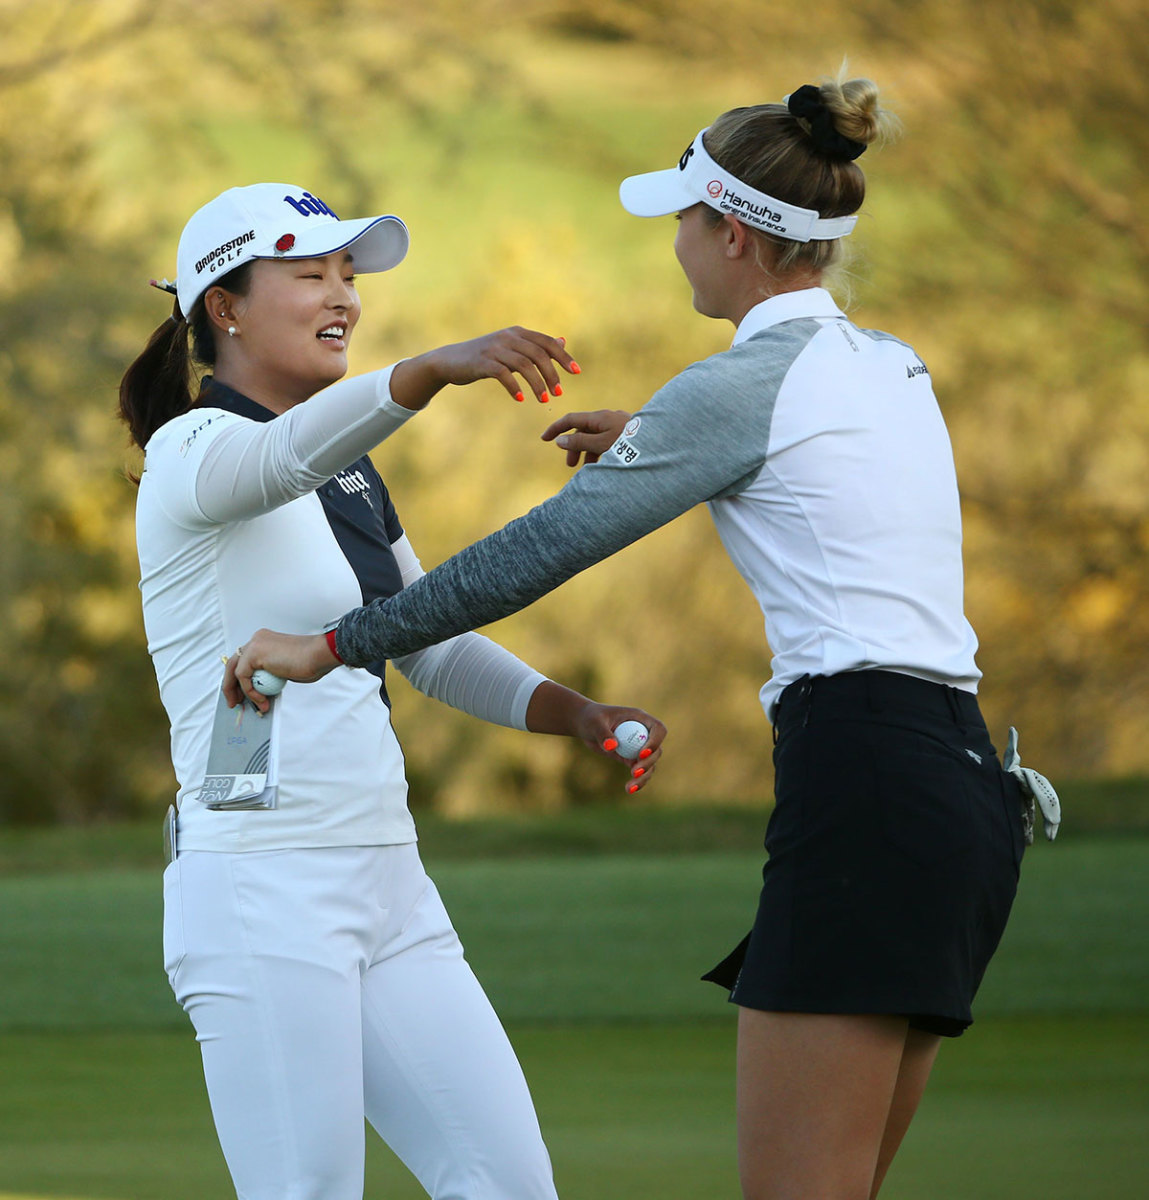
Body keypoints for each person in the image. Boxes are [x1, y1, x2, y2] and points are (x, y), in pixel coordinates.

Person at [228, 80, 1034, 1200]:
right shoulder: (889, 363)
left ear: (737, 237)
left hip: (868, 780)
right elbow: (808, 473)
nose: (677, 247)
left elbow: (534, 555)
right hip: (965, 793)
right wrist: (659, 439)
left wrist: (341, 643)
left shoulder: (742, 385)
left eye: (685, 225)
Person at [121, 181, 666, 1200]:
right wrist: (426, 373)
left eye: (348, 274)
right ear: (223, 308)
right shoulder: (189, 454)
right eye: (309, 273)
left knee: (509, 1185)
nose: (344, 295)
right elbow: (277, 457)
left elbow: (426, 645)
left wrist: (574, 713)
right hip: (259, 885)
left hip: (389, 883)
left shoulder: (352, 467)